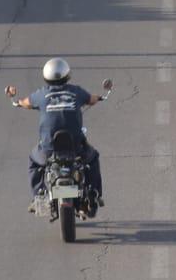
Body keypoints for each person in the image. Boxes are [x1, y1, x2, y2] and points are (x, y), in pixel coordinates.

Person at [6, 57, 106, 210]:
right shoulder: (76, 92)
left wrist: (18, 101)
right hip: (76, 147)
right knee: (93, 158)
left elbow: (26, 102)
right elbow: (91, 100)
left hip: (48, 149)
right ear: (67, 75)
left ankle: (39, 195)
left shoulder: (41, 94)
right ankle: (94, 193)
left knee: (34, 161)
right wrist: (99, 97)